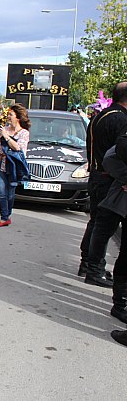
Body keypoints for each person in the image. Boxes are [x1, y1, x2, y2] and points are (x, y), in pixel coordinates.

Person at [80, 81, 127, 287]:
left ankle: (88, 264)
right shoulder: (121, 119)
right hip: (109, 178)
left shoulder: (100, 116)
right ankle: (94, 269)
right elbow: (119, 153)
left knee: (97, 224)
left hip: (97, 175)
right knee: (104, 226)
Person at [0, 104, 31, 227]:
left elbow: (18, 148)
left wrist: (6, 136)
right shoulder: (5, 129)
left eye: (11, 114)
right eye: (8, 114)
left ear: (18, 117)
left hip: (14, 166)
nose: (8, 116)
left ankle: (7, 214)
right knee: (2, 193)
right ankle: (4, 218)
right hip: (1, 164)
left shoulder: (24, 133)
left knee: (10, 194)